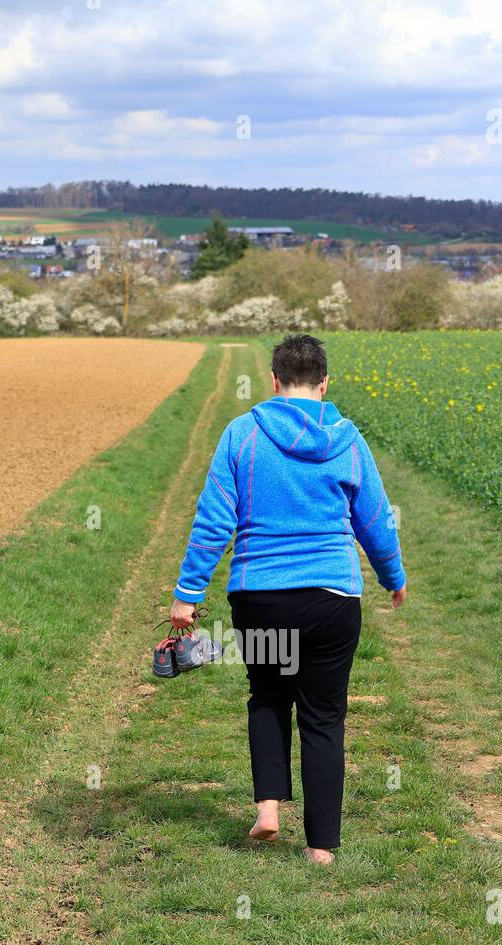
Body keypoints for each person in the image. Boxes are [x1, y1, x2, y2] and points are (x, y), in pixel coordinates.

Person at [169, 333, 406, 864]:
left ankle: (268, 811)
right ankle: (321, 847)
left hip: (262, 598)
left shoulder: (243, 433)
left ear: (274, 381)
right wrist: (393, 576)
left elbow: (214, 519)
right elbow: (374, 518)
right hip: (331, 598)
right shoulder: (348, 439)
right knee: (324, 717)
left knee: (269, 698)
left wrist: (187, 594)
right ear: (324, 383)